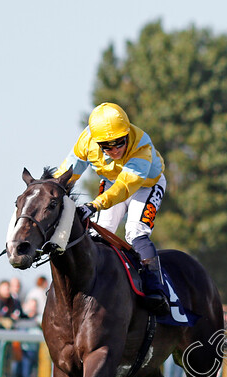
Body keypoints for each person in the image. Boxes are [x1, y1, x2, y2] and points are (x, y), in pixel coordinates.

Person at [51, 102, 169, 316]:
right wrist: (51, 191)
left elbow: (125, 187)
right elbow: (68, 173)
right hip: (113, 183)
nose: (114, 150)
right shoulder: (87, 140)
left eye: (119, 143)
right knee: (98, 234)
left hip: (145, 185)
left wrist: (94, 204)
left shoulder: (141, 145)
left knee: (136, 232)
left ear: (127, 134)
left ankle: (156, 288)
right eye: (107, 146)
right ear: (97, 142)